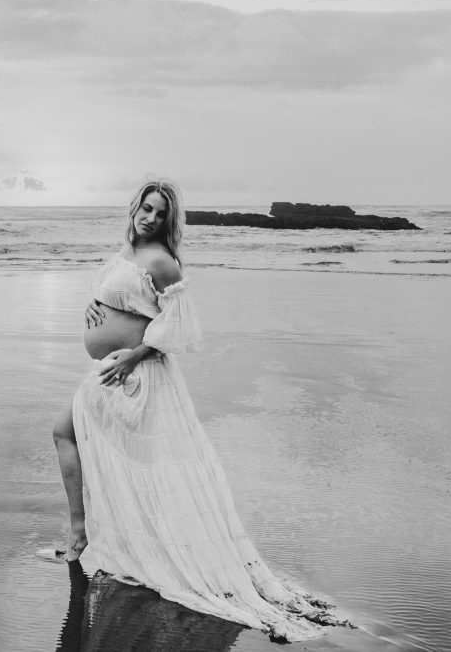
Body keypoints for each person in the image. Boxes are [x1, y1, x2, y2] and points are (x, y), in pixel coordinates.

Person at [51, 179, 348, 642]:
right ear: (134, 209)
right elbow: (122, 298)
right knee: (66, 434)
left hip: (137, 378)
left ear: (169, 222)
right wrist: (94, 301)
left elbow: (183, 327)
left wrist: (133, 354)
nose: (150, 218)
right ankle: (83, 532)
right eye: (145, 208)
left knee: (147, 464)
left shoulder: (162, 261)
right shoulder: (126, 252)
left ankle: (85, 535)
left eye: (160, 214)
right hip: (111, 372)